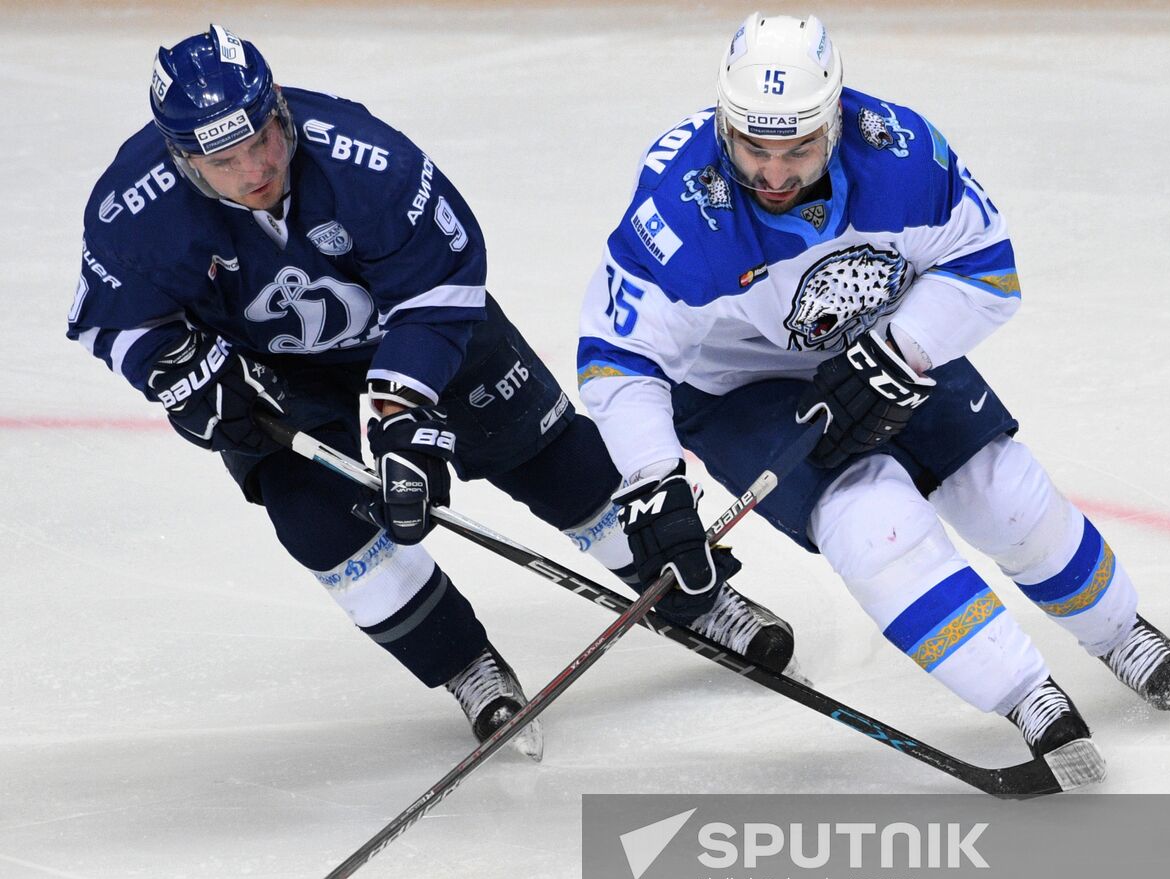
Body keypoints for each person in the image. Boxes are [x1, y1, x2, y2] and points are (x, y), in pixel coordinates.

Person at [66, 25, 797, 761]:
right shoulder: (134, 209)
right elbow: (117, 321)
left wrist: (399, 408)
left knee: (550, 457)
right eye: (226, 160)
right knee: (314, 522)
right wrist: (183, 373)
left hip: (416, 335)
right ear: (184, 159)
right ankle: (465, 666)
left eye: (263, 138)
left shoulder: (364, 159)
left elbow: (440, 288)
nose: (257, 167)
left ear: (279, 107)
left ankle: (700, 598)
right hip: (277, 377)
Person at [577, 12, 1170, 783]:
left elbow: (988, 268)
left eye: (798, 148)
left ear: (835, 121)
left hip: (885, 333)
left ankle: (1118, 633)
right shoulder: (680, 210)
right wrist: (654, 481)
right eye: (753, 148)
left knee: (1000, 491)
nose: (773, 175)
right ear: (722, 122)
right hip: (738, 386)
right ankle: (1024, 692)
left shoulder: (900, 155)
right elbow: (616, 356)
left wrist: (900, 349)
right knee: (872, 524)